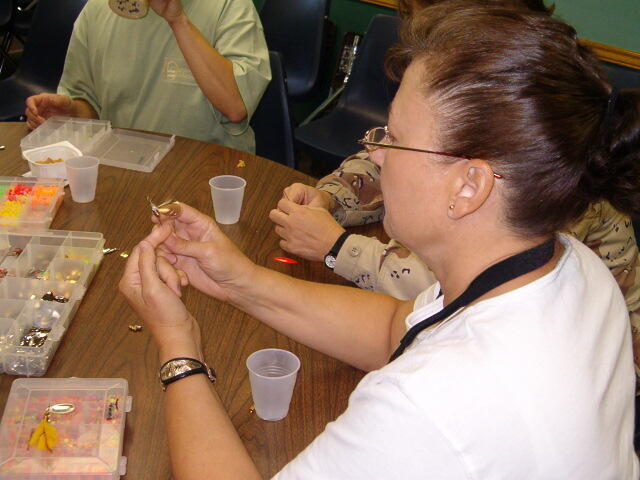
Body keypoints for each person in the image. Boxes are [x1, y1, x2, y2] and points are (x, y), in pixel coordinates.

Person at [119, 2, 640, 477]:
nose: (379, 154)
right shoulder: (570, 267)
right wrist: (240, 281)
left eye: (394, 137)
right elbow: (400, 327)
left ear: (470, 185)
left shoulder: (431, 403)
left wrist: (178, 344)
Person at [270, 0, 640, 384]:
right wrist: (332, 197)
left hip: (602, 370)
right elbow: (399, 154)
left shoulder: (549, 151)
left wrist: (335, 247)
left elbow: (443, 285)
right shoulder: (488, 87)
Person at [24, 0, 270, 153]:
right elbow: (92, 109)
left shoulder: (230, 5)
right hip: (124, 162)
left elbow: (236, 106)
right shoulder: (97, 10)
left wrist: (177, 20)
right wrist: (71, 113)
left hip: (208, 168)